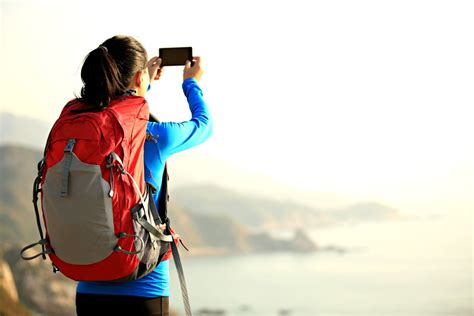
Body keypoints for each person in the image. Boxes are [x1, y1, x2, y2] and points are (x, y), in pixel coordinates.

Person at [74, 35, 213, 316]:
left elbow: (116, 117)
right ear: (139, 79)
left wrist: (141, 82)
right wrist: (191, 82)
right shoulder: (155, 136)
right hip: (144, 290)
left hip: (89, 290)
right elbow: (203, 124)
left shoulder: (80, 132)